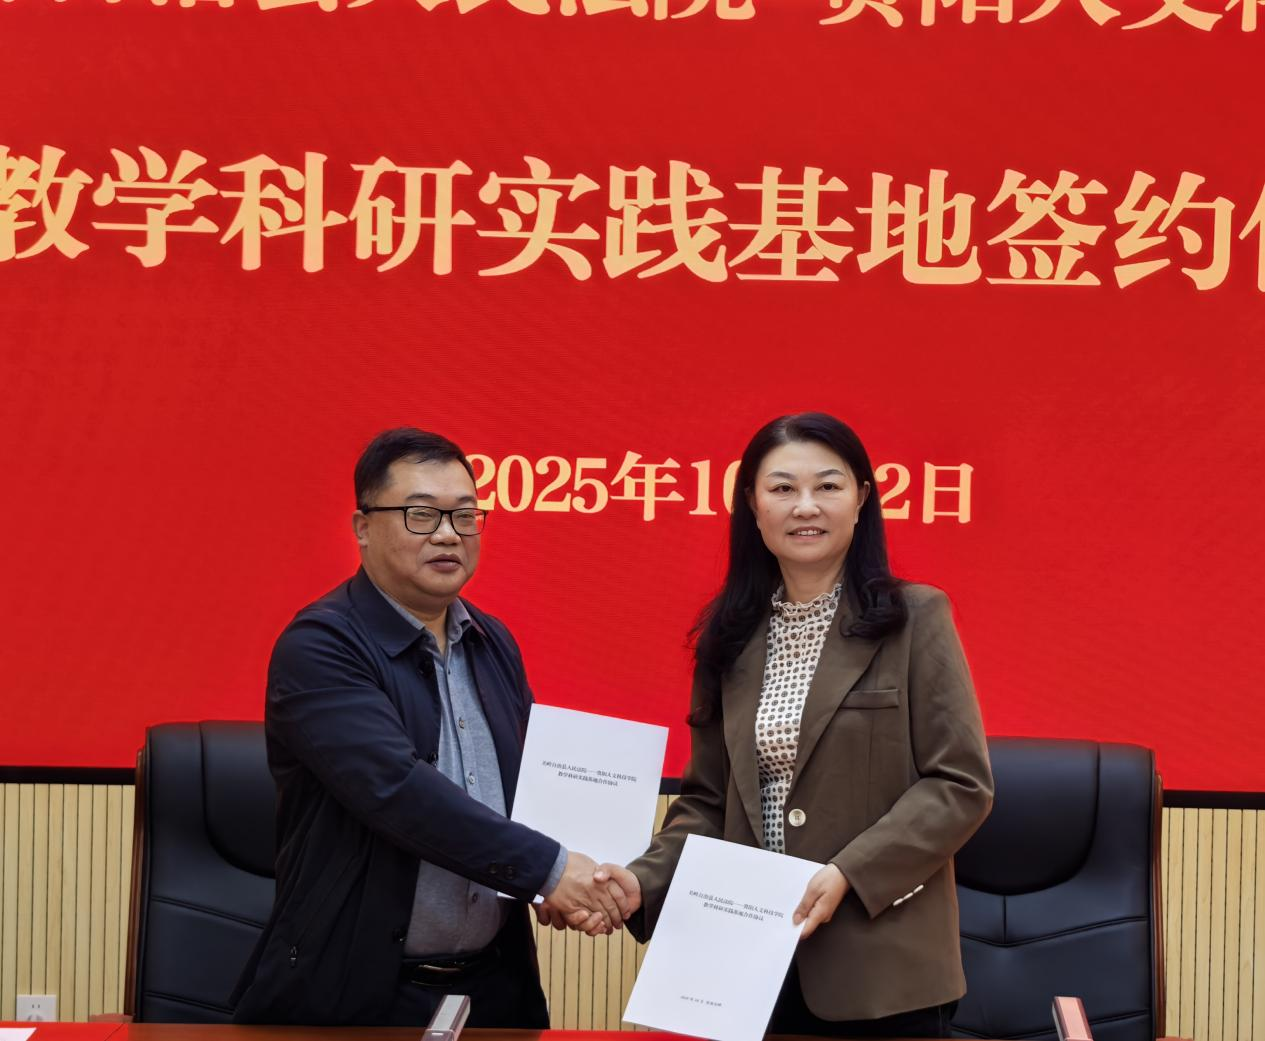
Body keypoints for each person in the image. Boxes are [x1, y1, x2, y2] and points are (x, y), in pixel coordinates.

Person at [232, 427, 638, 1027]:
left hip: (495, 988)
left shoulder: (491, 641)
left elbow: (530, 786)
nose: (448, 534)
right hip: (357, 993)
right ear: (363, 527)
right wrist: (552, 870)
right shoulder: (321, 645)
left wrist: (571, 877)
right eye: (420, 514)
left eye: (465, 515)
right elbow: (396, 790)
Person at [625, 412, 994, 1039]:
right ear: (752, 505)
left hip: (881, 969)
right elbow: (709, 803)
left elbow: (960, 783)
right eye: (782, 488)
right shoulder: (729, 637)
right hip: (752, 963)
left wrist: (850, 872)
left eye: (827, 485)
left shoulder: (914, 618)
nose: (805, 506)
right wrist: (638, 882)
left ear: (861, 499)